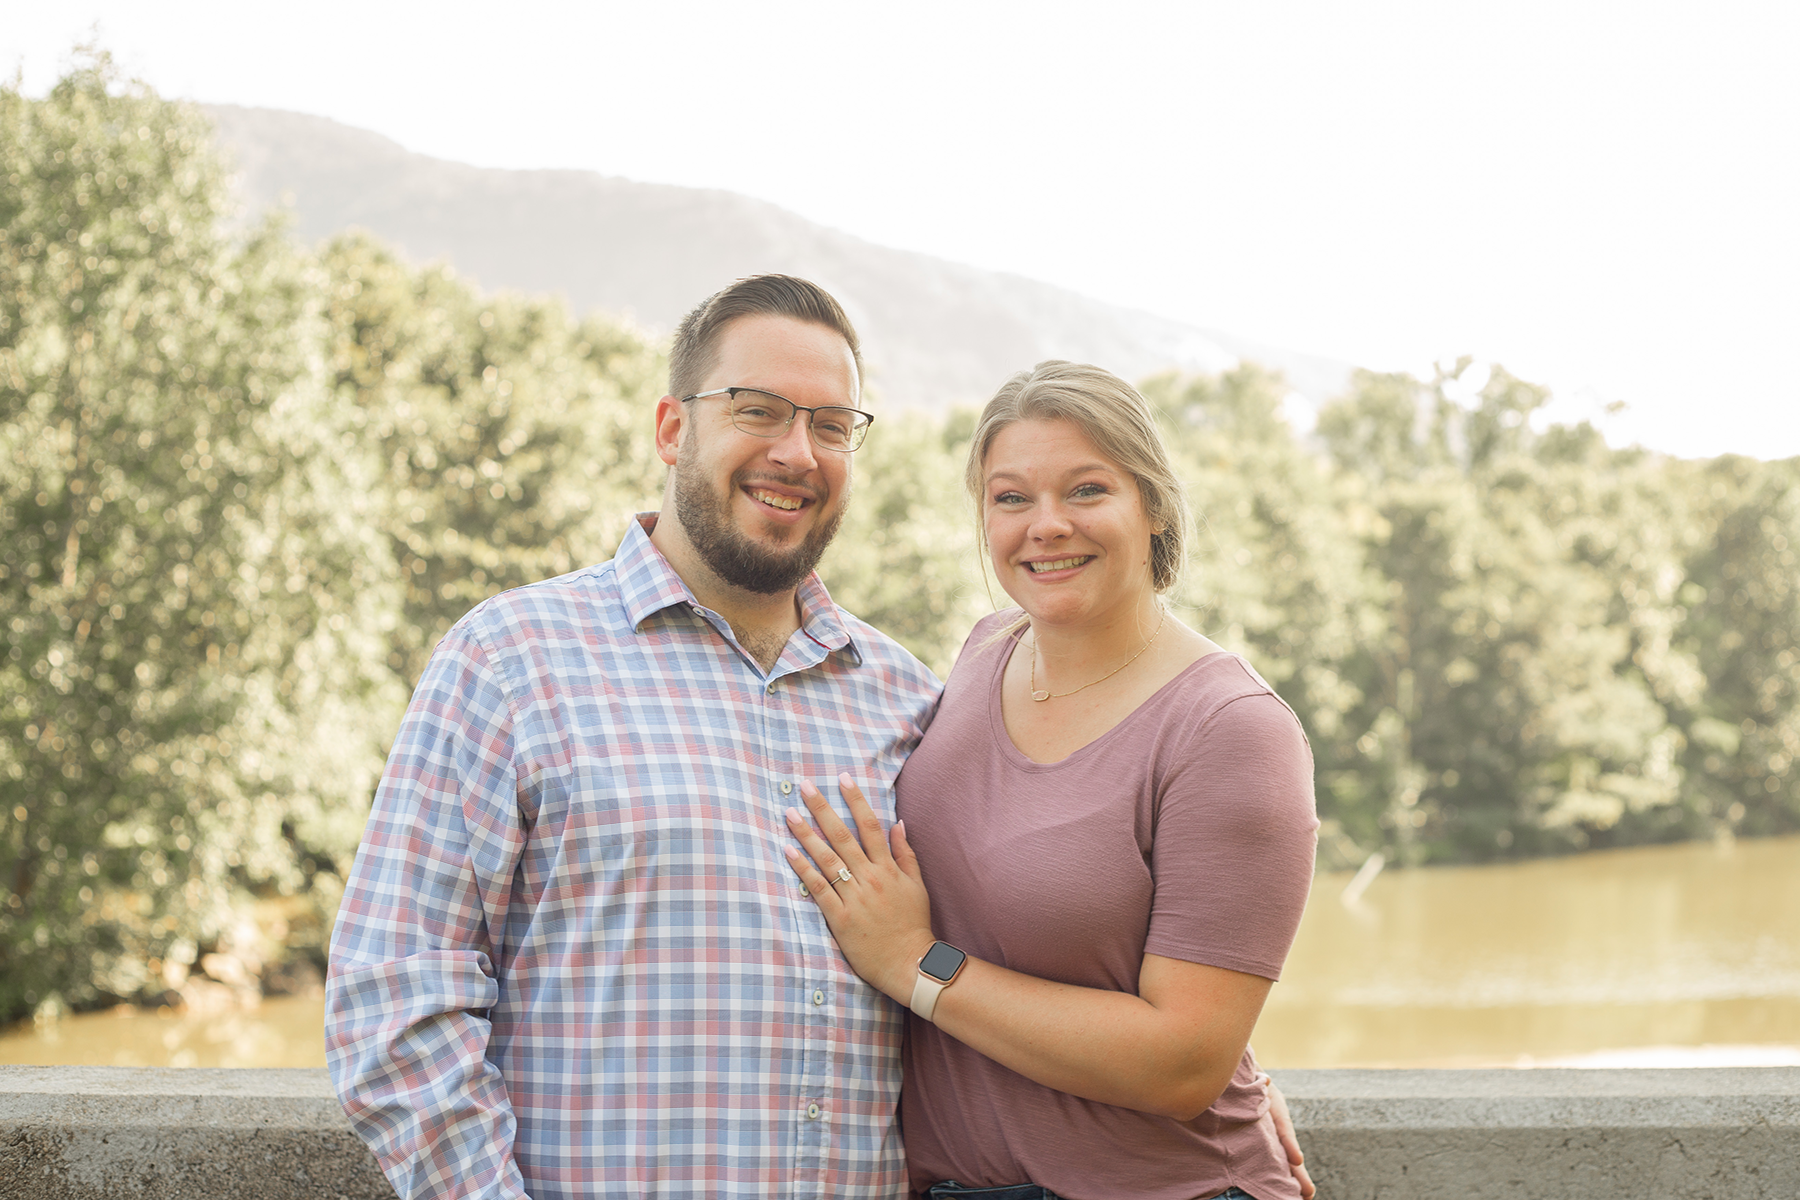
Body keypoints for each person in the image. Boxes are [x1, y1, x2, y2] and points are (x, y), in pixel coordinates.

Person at [325, 275, 942, 1199]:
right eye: (758, 411)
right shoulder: (509, 659)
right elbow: (397, 992)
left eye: (829, 424)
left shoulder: (908, 700)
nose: (796, 452)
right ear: (671, 429)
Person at [785, 361, 1319, 1200]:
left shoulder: (1231, 730)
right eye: (1010, 498)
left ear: (1152, 507)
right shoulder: (981, 654)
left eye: (1086, 490)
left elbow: (1183, 1063)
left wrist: (916, 963)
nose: (1047, 526)